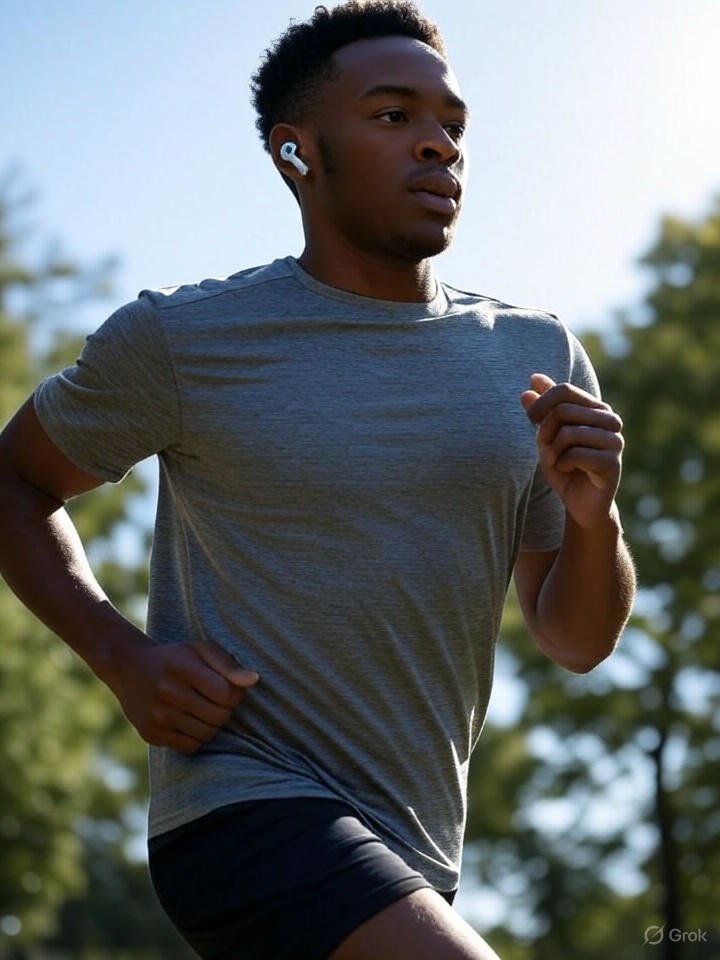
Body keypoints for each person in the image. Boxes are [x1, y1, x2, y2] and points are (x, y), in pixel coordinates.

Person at [0, 2, 636, 958]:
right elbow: (12, 480)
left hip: (419, 845)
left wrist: (594, 521)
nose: (439, 146)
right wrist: (121, 657)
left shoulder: (536, 358)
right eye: (394, 116)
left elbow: (577, 639)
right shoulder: (183, 340)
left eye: (452, 125)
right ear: (295, 152)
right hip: (241, 808)